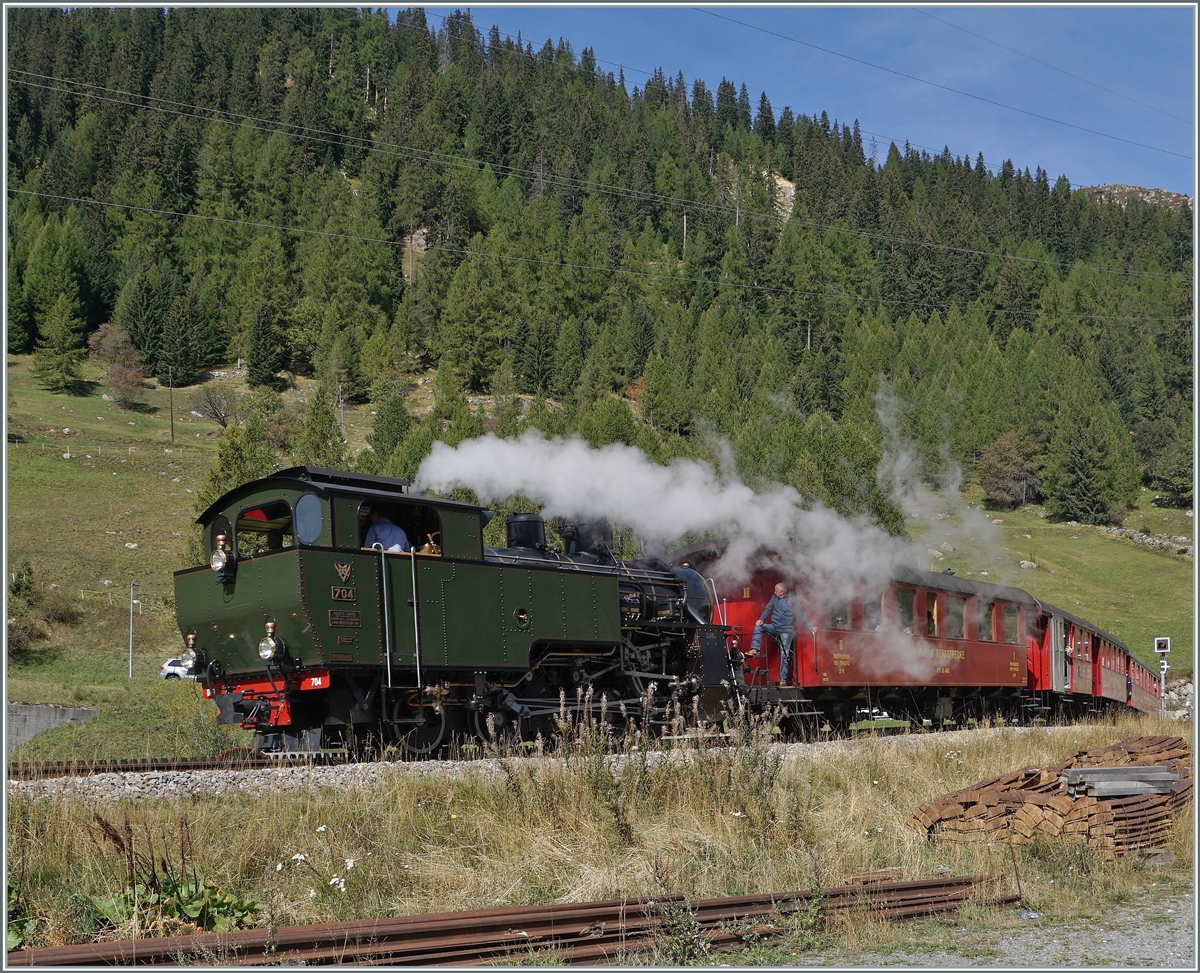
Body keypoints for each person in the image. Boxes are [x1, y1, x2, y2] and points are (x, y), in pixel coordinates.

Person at [749, 582, 813, 685]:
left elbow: (802, 614)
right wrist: (761, 619)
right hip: (774, 627)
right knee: (759, 627)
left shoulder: (793, 601)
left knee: (785, 654)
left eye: (776, 590)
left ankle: (783, 679)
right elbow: (768, 609)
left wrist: (811, 627)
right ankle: (755, 649)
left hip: (786, 630)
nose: (774, 592)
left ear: (782, 592)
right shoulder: (774, 598)